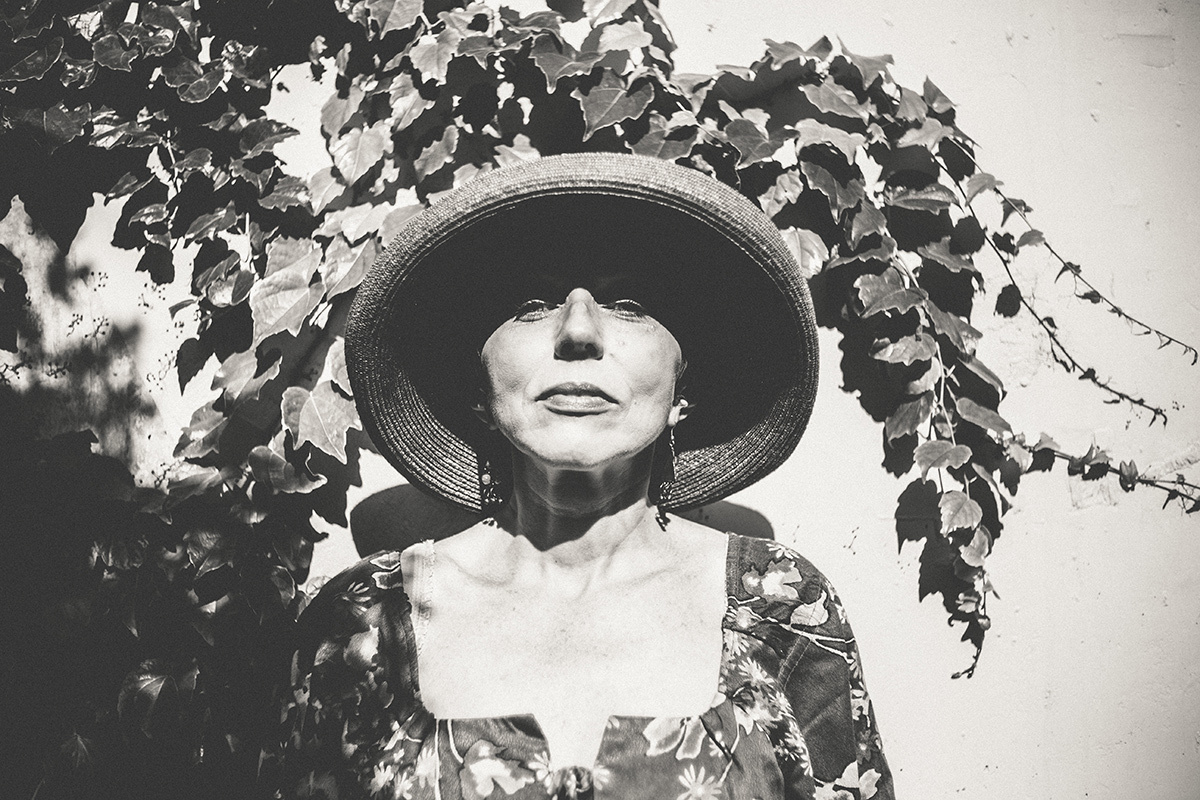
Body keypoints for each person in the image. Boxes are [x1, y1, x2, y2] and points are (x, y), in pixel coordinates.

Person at [275, 153, 894, 800]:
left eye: (629, 304)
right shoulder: (358, 621)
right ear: (478, 388)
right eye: (531, 305)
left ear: (684, 389)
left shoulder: (782, 611)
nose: (577, 331)